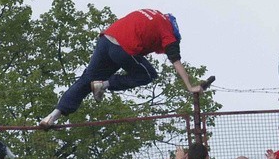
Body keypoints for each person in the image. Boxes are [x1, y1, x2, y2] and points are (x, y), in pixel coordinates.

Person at [40, 9, 203, 128]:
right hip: (123, 47)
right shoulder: (168, 32)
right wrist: (189, 86)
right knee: (148, 74)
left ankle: (52, 116)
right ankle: (104, 85)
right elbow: (176, 60)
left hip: (106, 40)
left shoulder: (153, 14)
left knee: (86, 80)